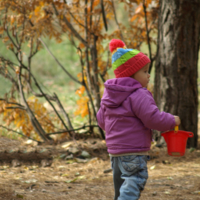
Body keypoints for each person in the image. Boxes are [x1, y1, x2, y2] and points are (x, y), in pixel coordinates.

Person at [96, 39, 181, 200]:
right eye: (145, 71)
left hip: (114, 152)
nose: (149, 75)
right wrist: (172, 120)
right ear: (131, 74)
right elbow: (152, 118)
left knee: (121, 186)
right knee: (135, 181)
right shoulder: (139, 94)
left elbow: (101, 120)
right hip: (133, 151)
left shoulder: (109, 95)